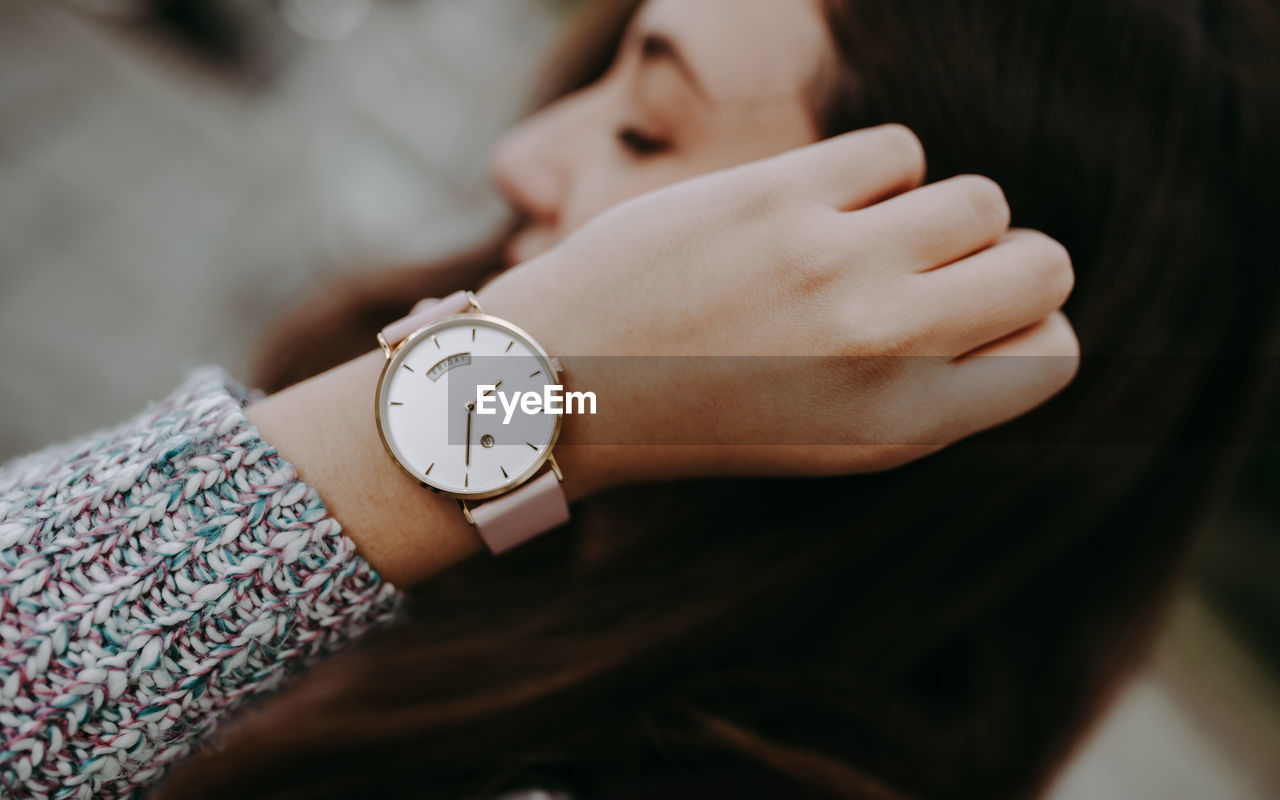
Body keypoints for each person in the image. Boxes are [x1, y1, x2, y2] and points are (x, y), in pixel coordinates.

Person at [1, 2, 1275, 800]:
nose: (526, 153)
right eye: (611, 60)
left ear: (913, 327)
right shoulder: (550, 581)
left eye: (649, 128)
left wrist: (486, 412)